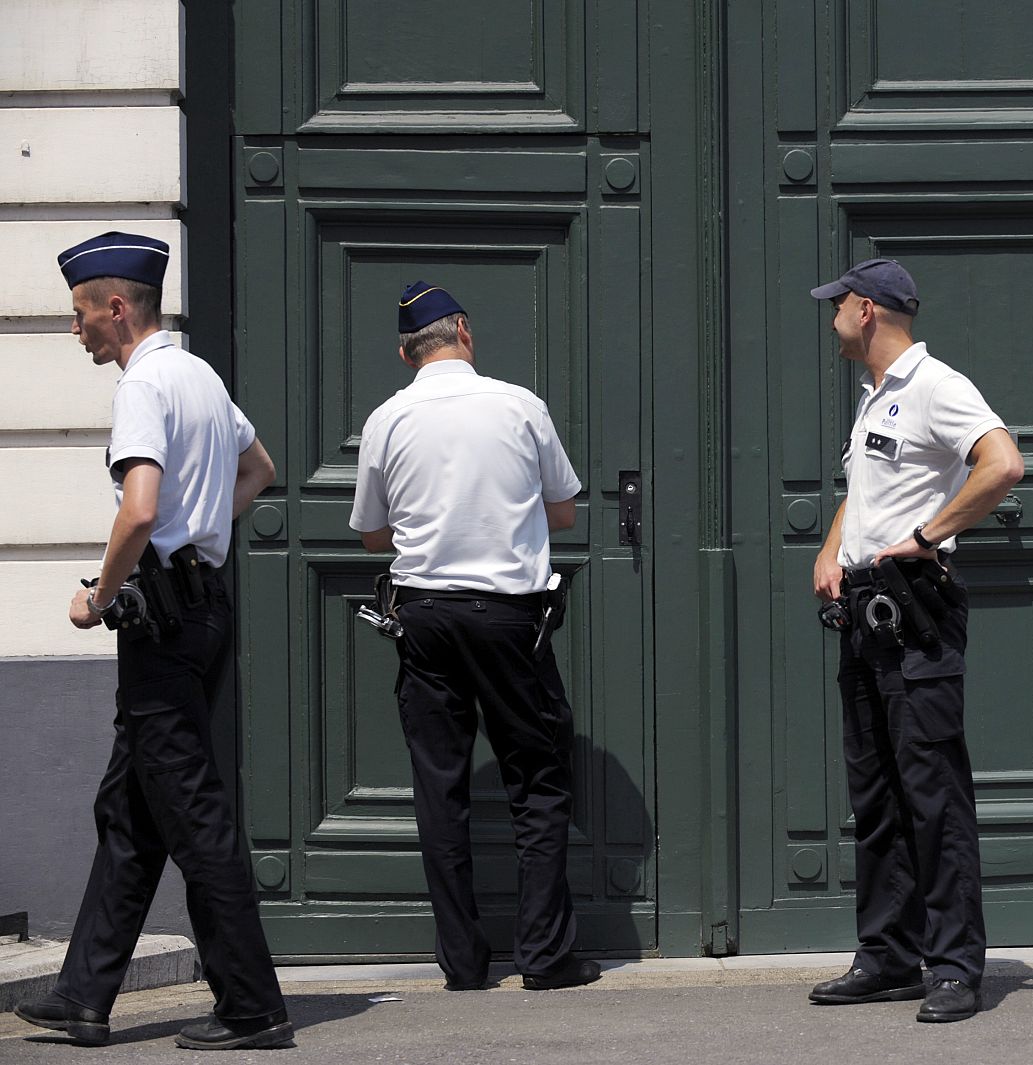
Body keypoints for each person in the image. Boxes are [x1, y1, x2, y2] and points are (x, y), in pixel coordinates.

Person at [14, 232, 291, 1050]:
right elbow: (260, 470)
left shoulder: (143, 383)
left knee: (192, 814)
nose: (75, 331)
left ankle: (251, 1004)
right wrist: (199, 532)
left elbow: (137, 508)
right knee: (131, 808)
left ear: (117, 307)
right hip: (200, 610)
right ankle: (83, 994)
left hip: (161, 624)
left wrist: (98, 596)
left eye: (79, 315)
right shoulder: (199, 374)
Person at [350, 281, 596, 994]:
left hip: (424, 616)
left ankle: (463, 961)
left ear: (405, 352)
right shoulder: (519, 406)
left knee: (439, 787)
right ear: (462, 329)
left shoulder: (387, 419)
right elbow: (565, 512)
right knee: (540, 780)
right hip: (509, 618)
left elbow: (372, 535)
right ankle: (546, 956)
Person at [806, 259, 1025, 1023]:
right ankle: (889, 956)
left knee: (933, 796)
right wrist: (833, 547)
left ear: (867, 311)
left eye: (837, 306)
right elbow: (862, 495)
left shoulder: (937, 386)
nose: (830, 318)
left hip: (915, 611)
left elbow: (1003, 464)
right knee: (877, 796)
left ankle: (956, 965)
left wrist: (928, 534)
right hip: (864, 610)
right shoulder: (874, 400)